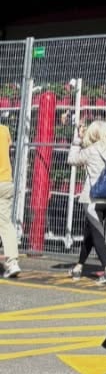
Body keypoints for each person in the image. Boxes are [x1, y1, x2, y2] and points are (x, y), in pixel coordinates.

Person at [67, 119, 106, 283]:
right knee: (91, 232)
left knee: (97, 234)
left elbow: (72, 159)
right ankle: (78, 267)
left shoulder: (91, 150)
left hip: (92, 199)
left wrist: (77, 140)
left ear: (93, 133)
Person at [0, 115, 20, 278]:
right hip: (6, 180)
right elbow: (9, 146)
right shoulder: (5, 130)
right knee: (5, 223)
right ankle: (13, 262)